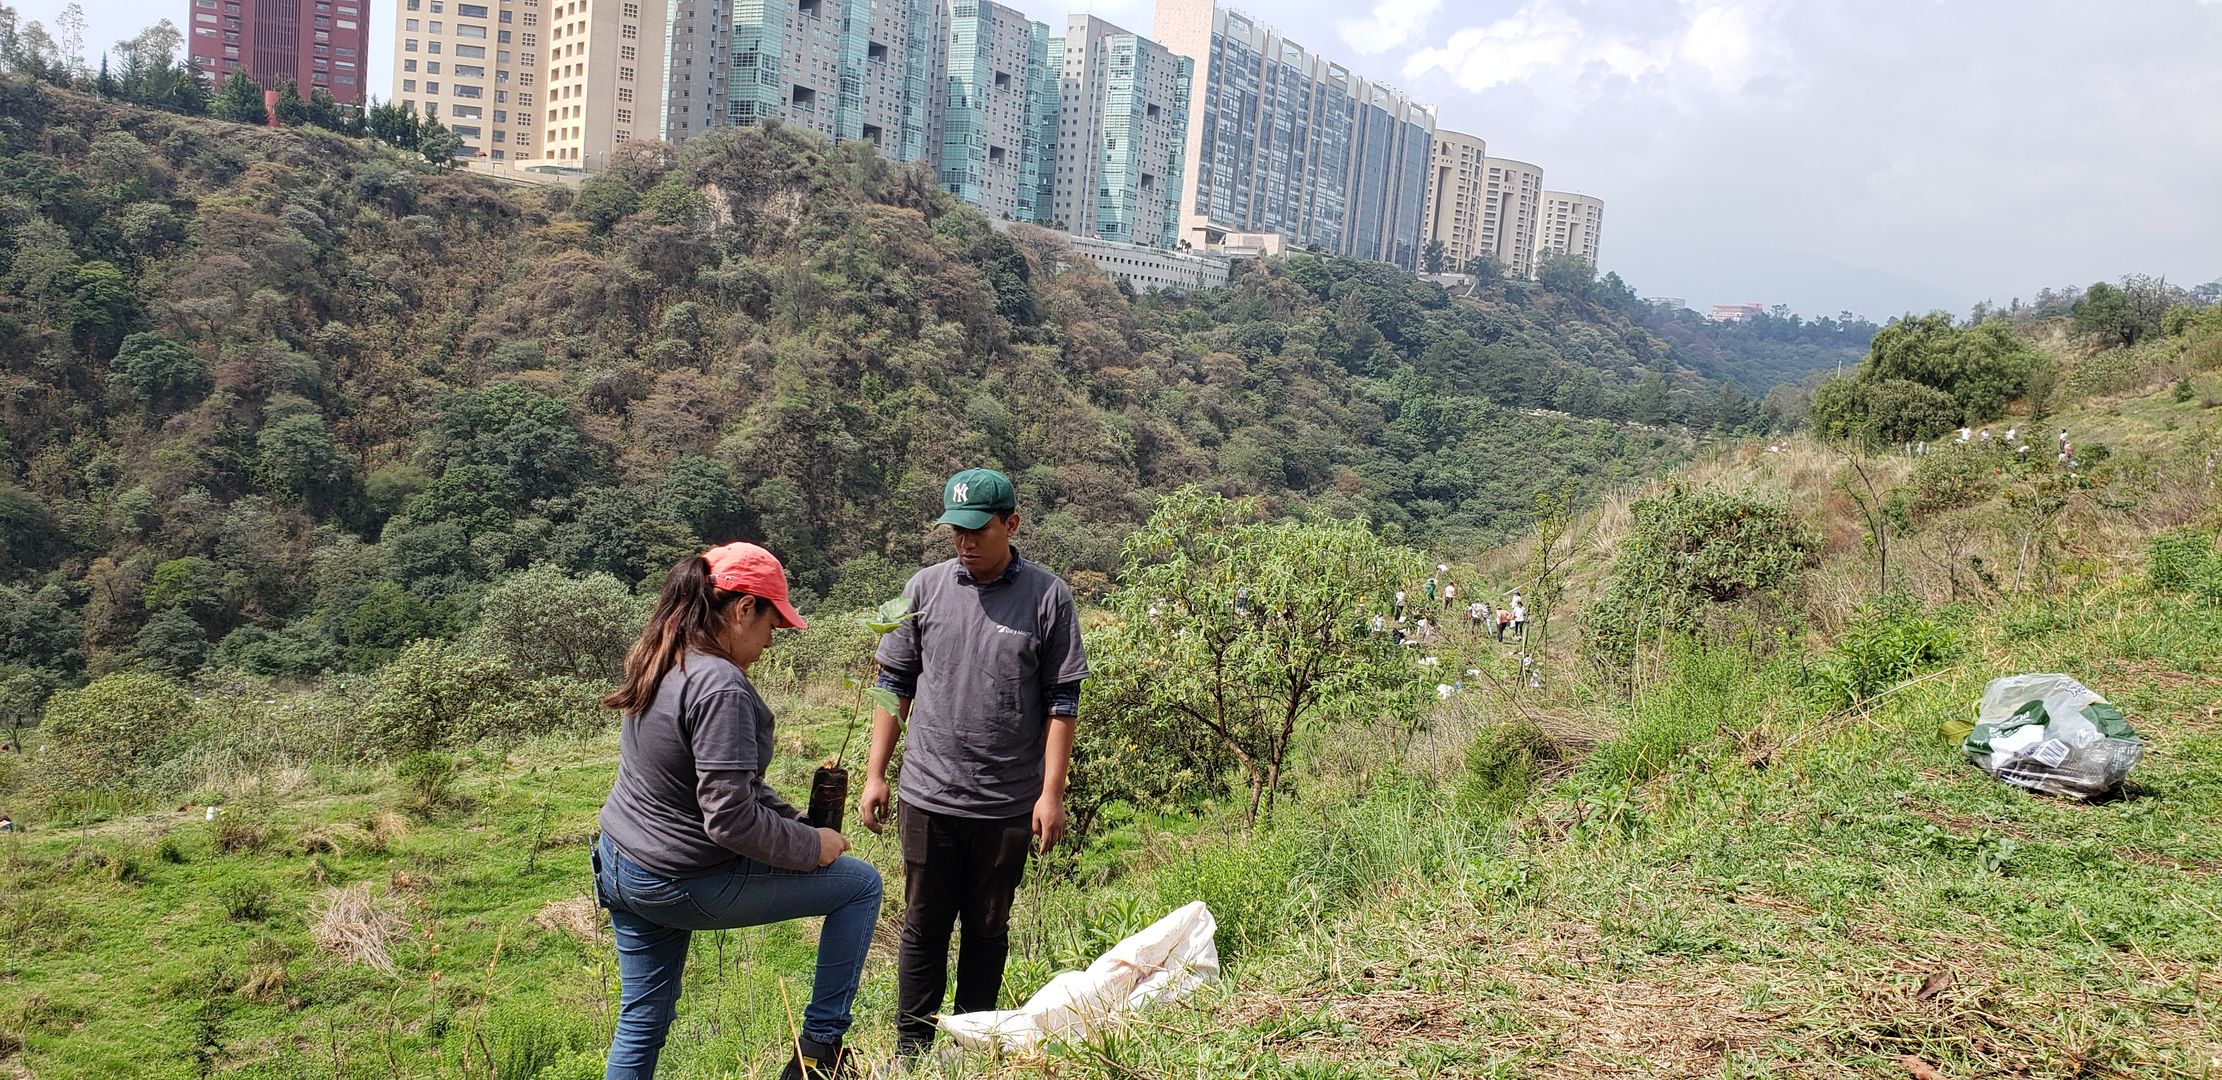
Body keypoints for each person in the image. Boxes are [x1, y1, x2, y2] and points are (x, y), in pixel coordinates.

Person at [594, 543, 883, 1080]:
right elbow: (727, 818)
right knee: (859, 884)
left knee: (641, 1019)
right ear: (743, 608)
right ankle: (819, 1054)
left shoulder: (664, 655)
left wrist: (790, 822)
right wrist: (811, 846)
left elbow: (725, 782)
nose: (772, 641)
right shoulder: (720, 684)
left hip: (619, 863)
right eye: (773, 623)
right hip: (676, 877)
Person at [859, 468, 1090, 1057]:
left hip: (1007, 802)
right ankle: (911, 1051)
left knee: (987, 929)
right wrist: (875, 773)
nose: (964, 543)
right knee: (922, 927)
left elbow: (1062, 701)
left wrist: (1051, 792)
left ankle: (971, 1047)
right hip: (928, 795)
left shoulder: (1047, 596)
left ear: (1011, 524)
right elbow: (893, 683)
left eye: (977, 531)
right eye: (954, 531)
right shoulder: (923, 589)